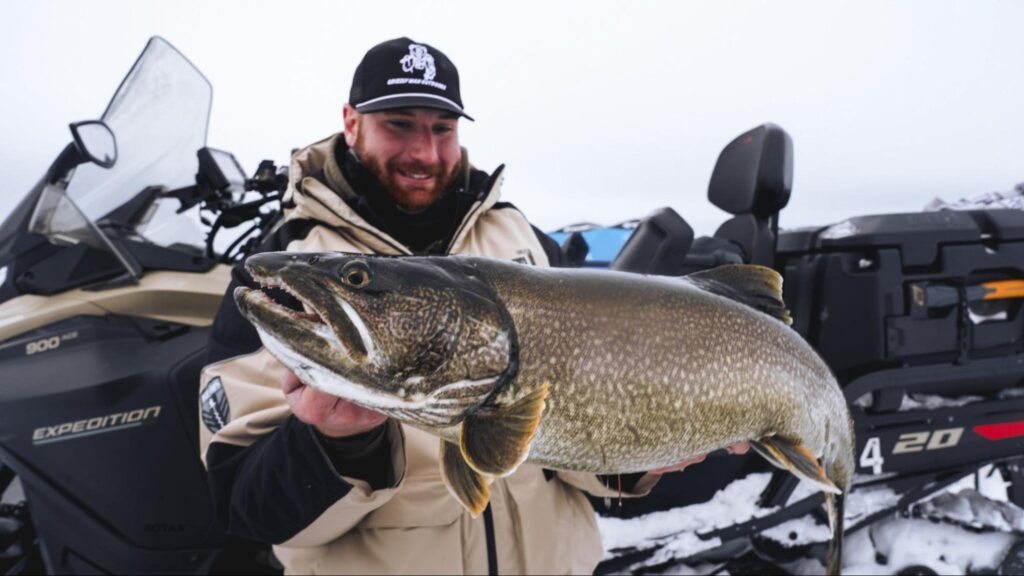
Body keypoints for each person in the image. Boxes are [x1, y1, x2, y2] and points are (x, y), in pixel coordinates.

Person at [198, 37, 746, 575]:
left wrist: (643, 453)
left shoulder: (524, 241)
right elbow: (247, 508)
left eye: (443, 129)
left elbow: (573, 450)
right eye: (399, 124)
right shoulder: (285, 278)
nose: (425, 152)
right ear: (351, 121)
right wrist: (334, 444)